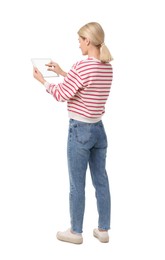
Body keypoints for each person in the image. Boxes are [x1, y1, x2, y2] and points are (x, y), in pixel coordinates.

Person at [33, 22, 113, 244]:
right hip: (99, 130)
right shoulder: (107, 67)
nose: (78, 44)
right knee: (101, 181)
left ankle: (76, 232)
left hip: (80, 131)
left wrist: (43, 82)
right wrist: (62, 72)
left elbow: (62, 94)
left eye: (79, 40)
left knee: (77, 184)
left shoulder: (82, 66)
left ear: (88, 40)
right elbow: (85, 87)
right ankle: (103, 230)